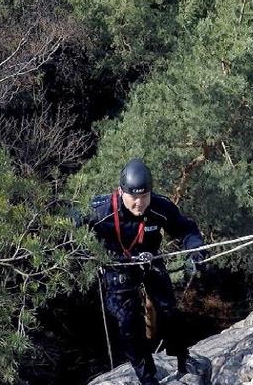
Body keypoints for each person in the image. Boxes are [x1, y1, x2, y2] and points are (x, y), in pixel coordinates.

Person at [84, 158, 205, 385]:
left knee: (168, 309)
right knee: (127, 322)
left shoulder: (159, 207)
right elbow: (71, 222)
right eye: (133, 196)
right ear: (121, 192)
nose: (139, 203)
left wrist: (195, 250)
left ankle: (182, 358)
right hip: (116, 264)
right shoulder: (101, 210)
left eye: (144, 196)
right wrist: (81, 251)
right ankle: (147, 377)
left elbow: (186, 228)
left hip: (150, 259)